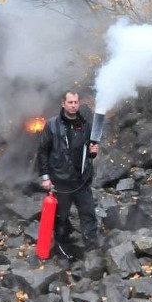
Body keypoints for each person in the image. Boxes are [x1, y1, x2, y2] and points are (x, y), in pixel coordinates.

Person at [37, 90, 100, 259]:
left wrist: (93, 152)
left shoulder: (85, 125)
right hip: (60, 181)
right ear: (63, 103)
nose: (73, 106)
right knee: (61, 218)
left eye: (76, 102)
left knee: (88, 213)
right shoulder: (52, 125)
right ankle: (63, 249)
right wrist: (45, 177)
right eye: (70, 102)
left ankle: (92, 250)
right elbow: (43, 151)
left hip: (81, 180)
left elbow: (89, 150)